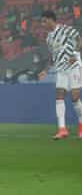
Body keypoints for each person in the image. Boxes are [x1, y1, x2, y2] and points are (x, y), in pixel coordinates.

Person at [39, 10, 82, 140]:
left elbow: (80, 40)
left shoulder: (66, 29)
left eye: (44, 21)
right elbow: (53, 56)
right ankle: (62, 129)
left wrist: (75, 54)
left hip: (73, 66)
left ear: (51, 19)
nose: (42, 24)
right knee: (59, 96)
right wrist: (45, 70)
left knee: (75, 98)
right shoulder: (49, 38)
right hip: (61, 69)